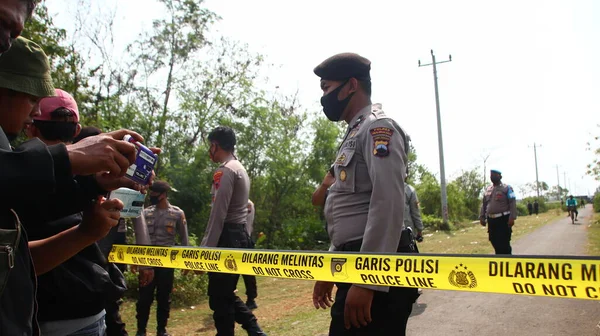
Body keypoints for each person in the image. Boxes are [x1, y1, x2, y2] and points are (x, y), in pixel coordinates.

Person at [0, 36, 154, 336]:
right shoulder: (25, 164)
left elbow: (21, 240)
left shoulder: (19, 158)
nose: (33, 110)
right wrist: (68, 160)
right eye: (31, 99)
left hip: (83, 311)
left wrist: (92, 186)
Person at [312, 53, 417, 335]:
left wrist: (368, 279)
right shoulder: (355, 132)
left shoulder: (377, 128)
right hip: (354, 266)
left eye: (326, 88)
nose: (324, 97)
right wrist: (331, 270)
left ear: (351, 85)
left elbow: (388, 203)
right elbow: (348, 213)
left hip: (375, 272)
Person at [24, 88, 127, 336]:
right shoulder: (88, 176)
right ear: (78, 131)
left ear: (31, 127)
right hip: (77, 312)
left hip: (40, 314)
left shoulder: (15, 174)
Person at [201, 126, 266, 336]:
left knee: (220, 299)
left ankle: (249, 330)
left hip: (227, 238)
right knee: (223, 294)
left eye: (210, 146)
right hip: (237, 237)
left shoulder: (226, 170)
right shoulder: (239, 167)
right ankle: (254, 329)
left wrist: (205, 250)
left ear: (215, 145)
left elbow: (218, 215)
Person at [134, 181, 189, 336]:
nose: (151, 196)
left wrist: (186, 262)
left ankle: (161, 330)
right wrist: (136, 260)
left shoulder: (177, 213)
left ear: (163, 195)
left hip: (166, 264)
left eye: (154, 194)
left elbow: (185, 240)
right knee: (144, 298)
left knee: (164, 298)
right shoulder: (145, 212)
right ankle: (141, 331)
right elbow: (139, 237)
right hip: (148, 263)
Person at [480, 169, 517, 254]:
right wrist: (482, 217)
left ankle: (507, 260)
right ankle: (499, 257)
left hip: (503, 219)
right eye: (491, 175)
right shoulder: (488, 189)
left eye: (494, 175)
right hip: (492, 220)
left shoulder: (507, 188)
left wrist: (512, 217)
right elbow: (484, 204)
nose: (492, 177)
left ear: (500, 176)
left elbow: (512, 202)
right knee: (493, 240)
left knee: (504, 242)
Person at [241, 200, 258, 310]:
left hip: (244, 240)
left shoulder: (247, 203)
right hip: (242, 239)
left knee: (248, 272)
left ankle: (251, 298)